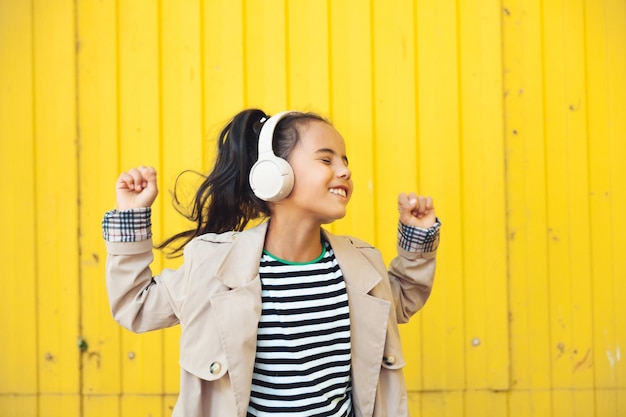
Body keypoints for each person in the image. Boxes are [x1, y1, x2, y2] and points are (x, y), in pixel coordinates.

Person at [102, 108, 441, 417]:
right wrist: (132, 215)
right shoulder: (213, 267)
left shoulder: (361, 264)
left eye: (344, 159)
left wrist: (418, 242)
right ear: (273, 174)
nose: (345, 170)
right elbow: (137, 304)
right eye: (326, 160)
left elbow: (403, 298)